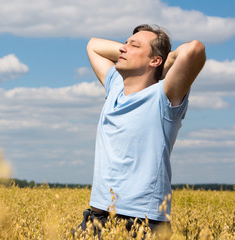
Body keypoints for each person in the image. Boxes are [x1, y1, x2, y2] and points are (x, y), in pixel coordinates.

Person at [78, 24, 206, 237]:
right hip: (96, 220)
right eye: (124, 43)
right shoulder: (115, 86)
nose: (122, 49)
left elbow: (195, 49)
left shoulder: (164, 97)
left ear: (155, 61)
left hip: (141, 225)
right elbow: (93, 45)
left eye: (133, 45)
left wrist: (167, 62)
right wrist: (134, 49)